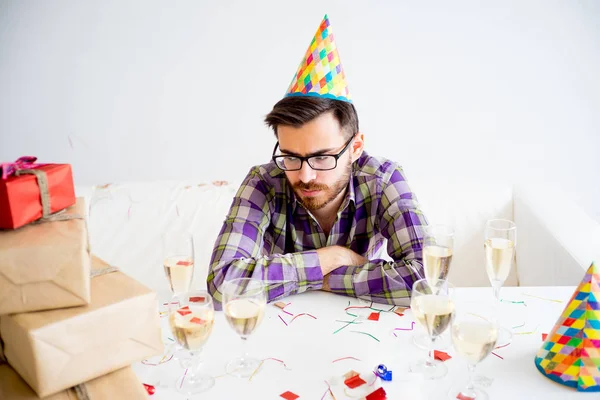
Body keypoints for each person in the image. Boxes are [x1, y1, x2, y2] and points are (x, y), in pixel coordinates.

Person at [208, 15, 428, 309]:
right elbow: (223, 284)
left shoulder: (383, 178)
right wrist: (331, 258)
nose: (305, 175)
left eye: (322, 157)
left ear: (355, 148)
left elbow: (427, 281)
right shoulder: (264, 181)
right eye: (290, 157)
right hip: (279, 329)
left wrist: (326, 279)